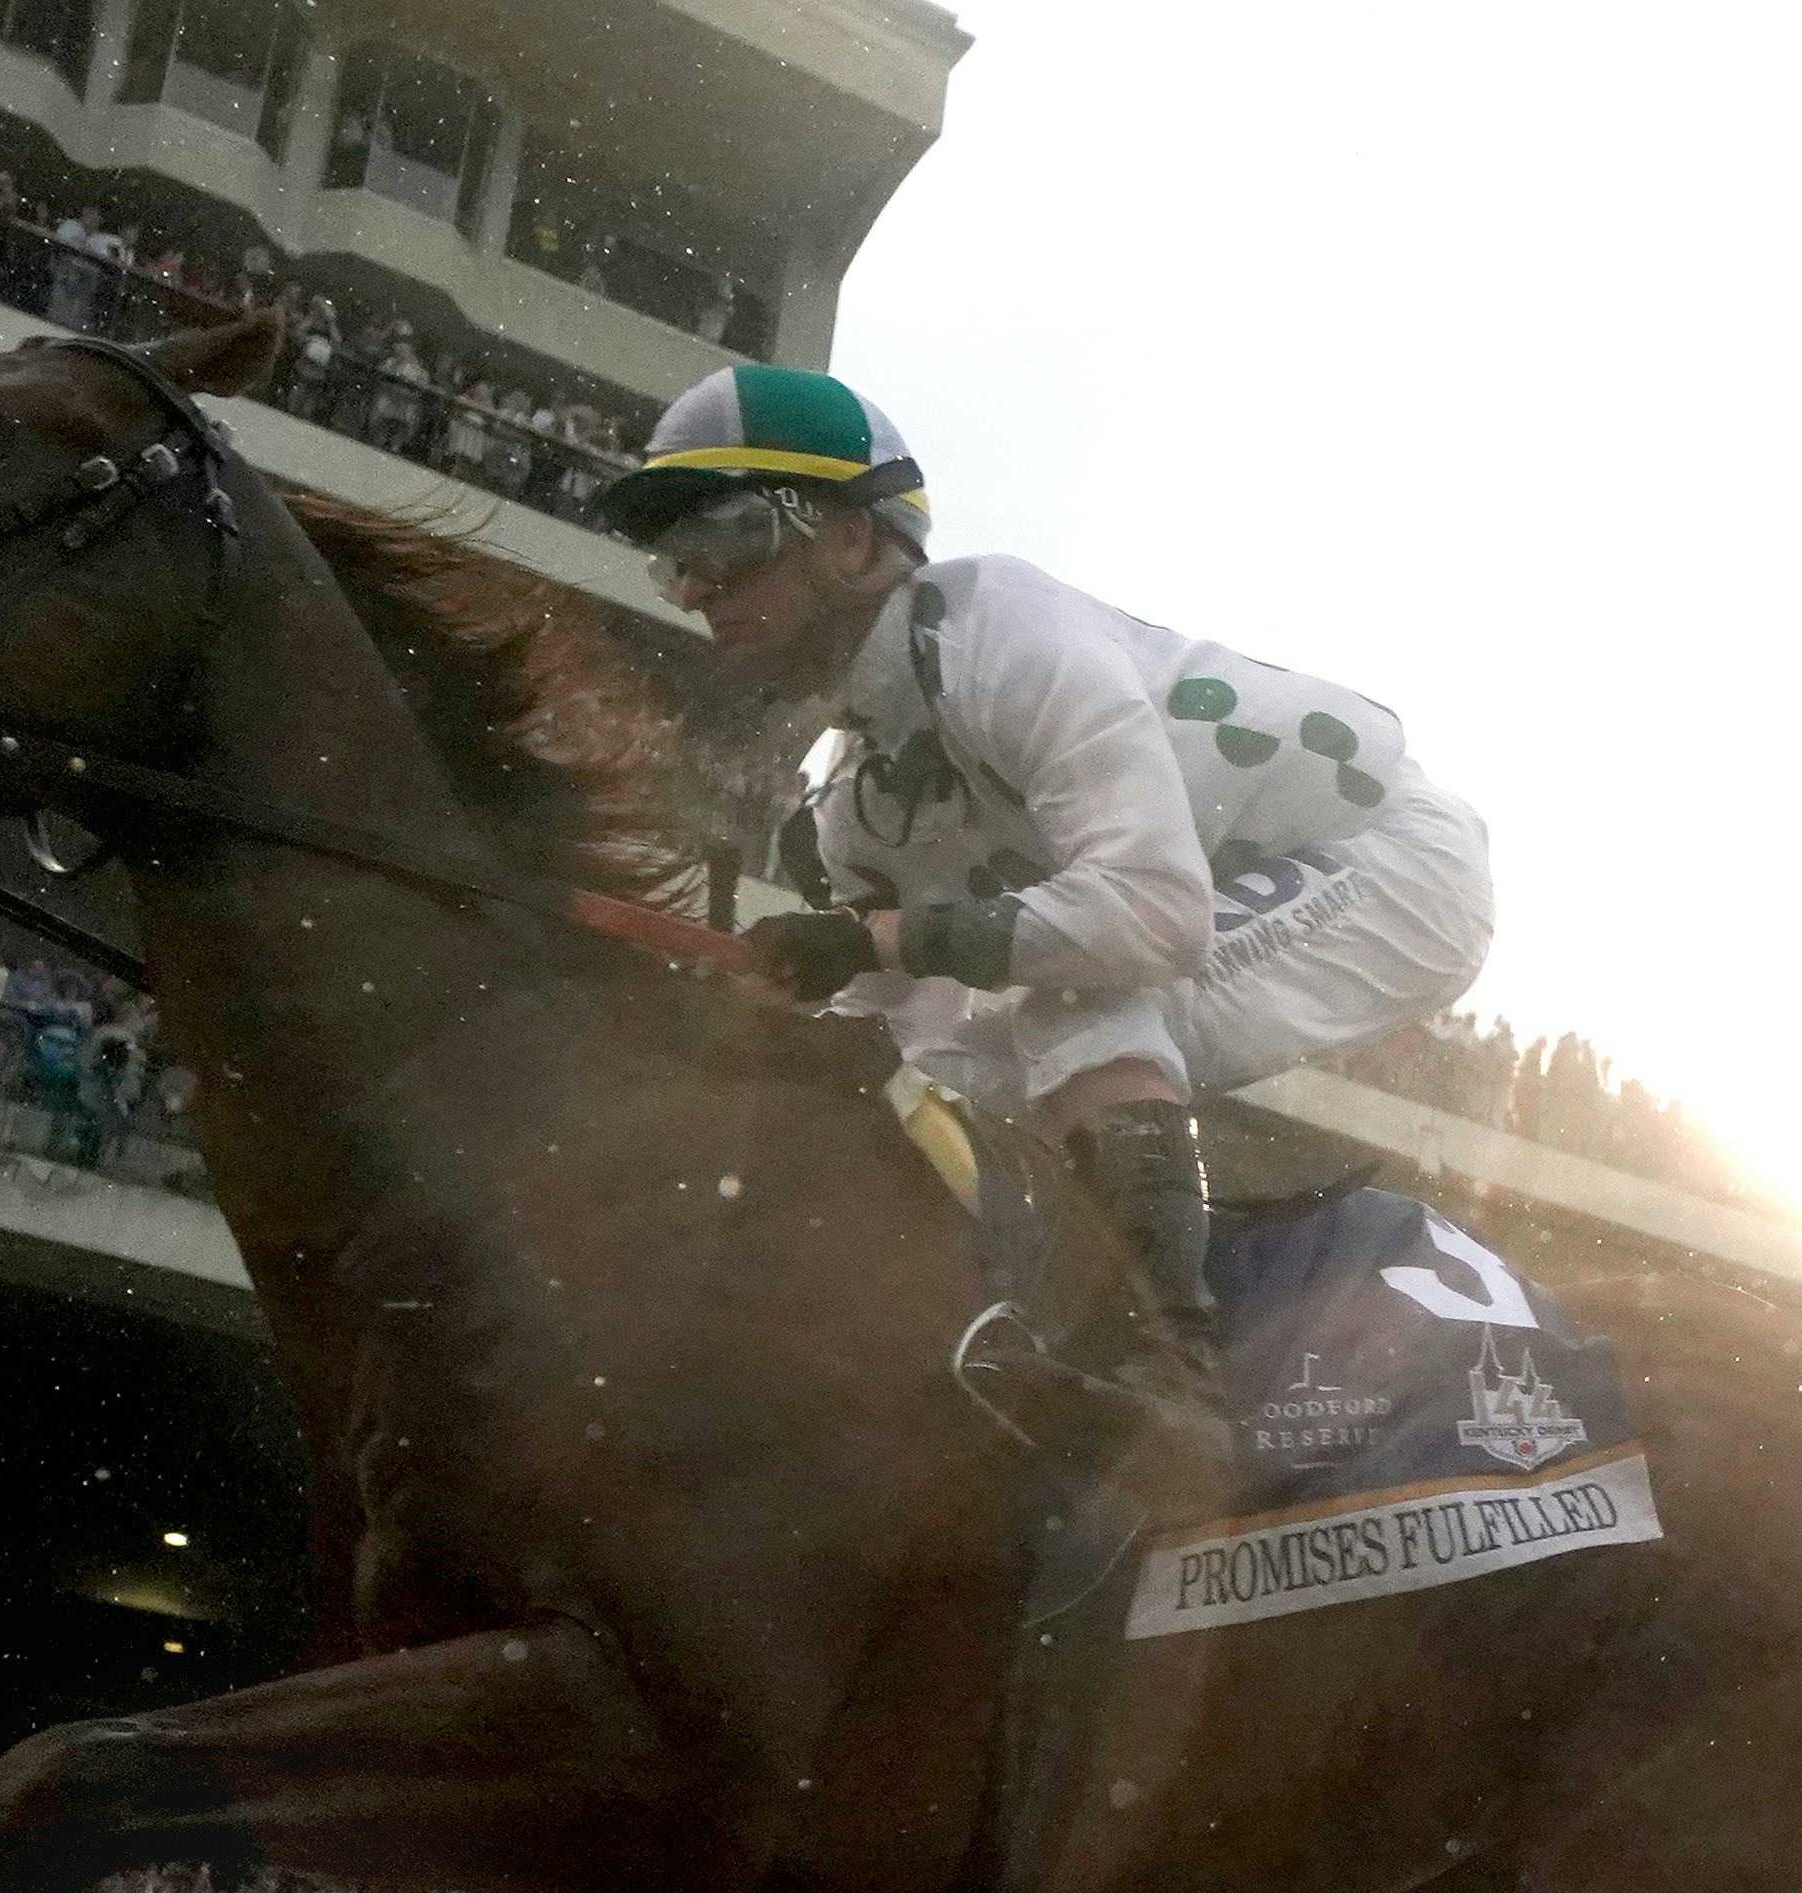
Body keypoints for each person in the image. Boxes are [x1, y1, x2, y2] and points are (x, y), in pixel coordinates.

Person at [600, 364, 1497, 1489]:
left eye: (723, 542)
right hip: (1202, 893)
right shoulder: (860, 799)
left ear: (847, 540)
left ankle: (1177, 1379)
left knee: (1083, 993)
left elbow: (1151, 914)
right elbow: (898, 1045)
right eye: (674, 561)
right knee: (947, 1074)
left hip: (1394, 861)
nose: (692, 591)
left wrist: (877, 942)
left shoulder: (1002, 631)